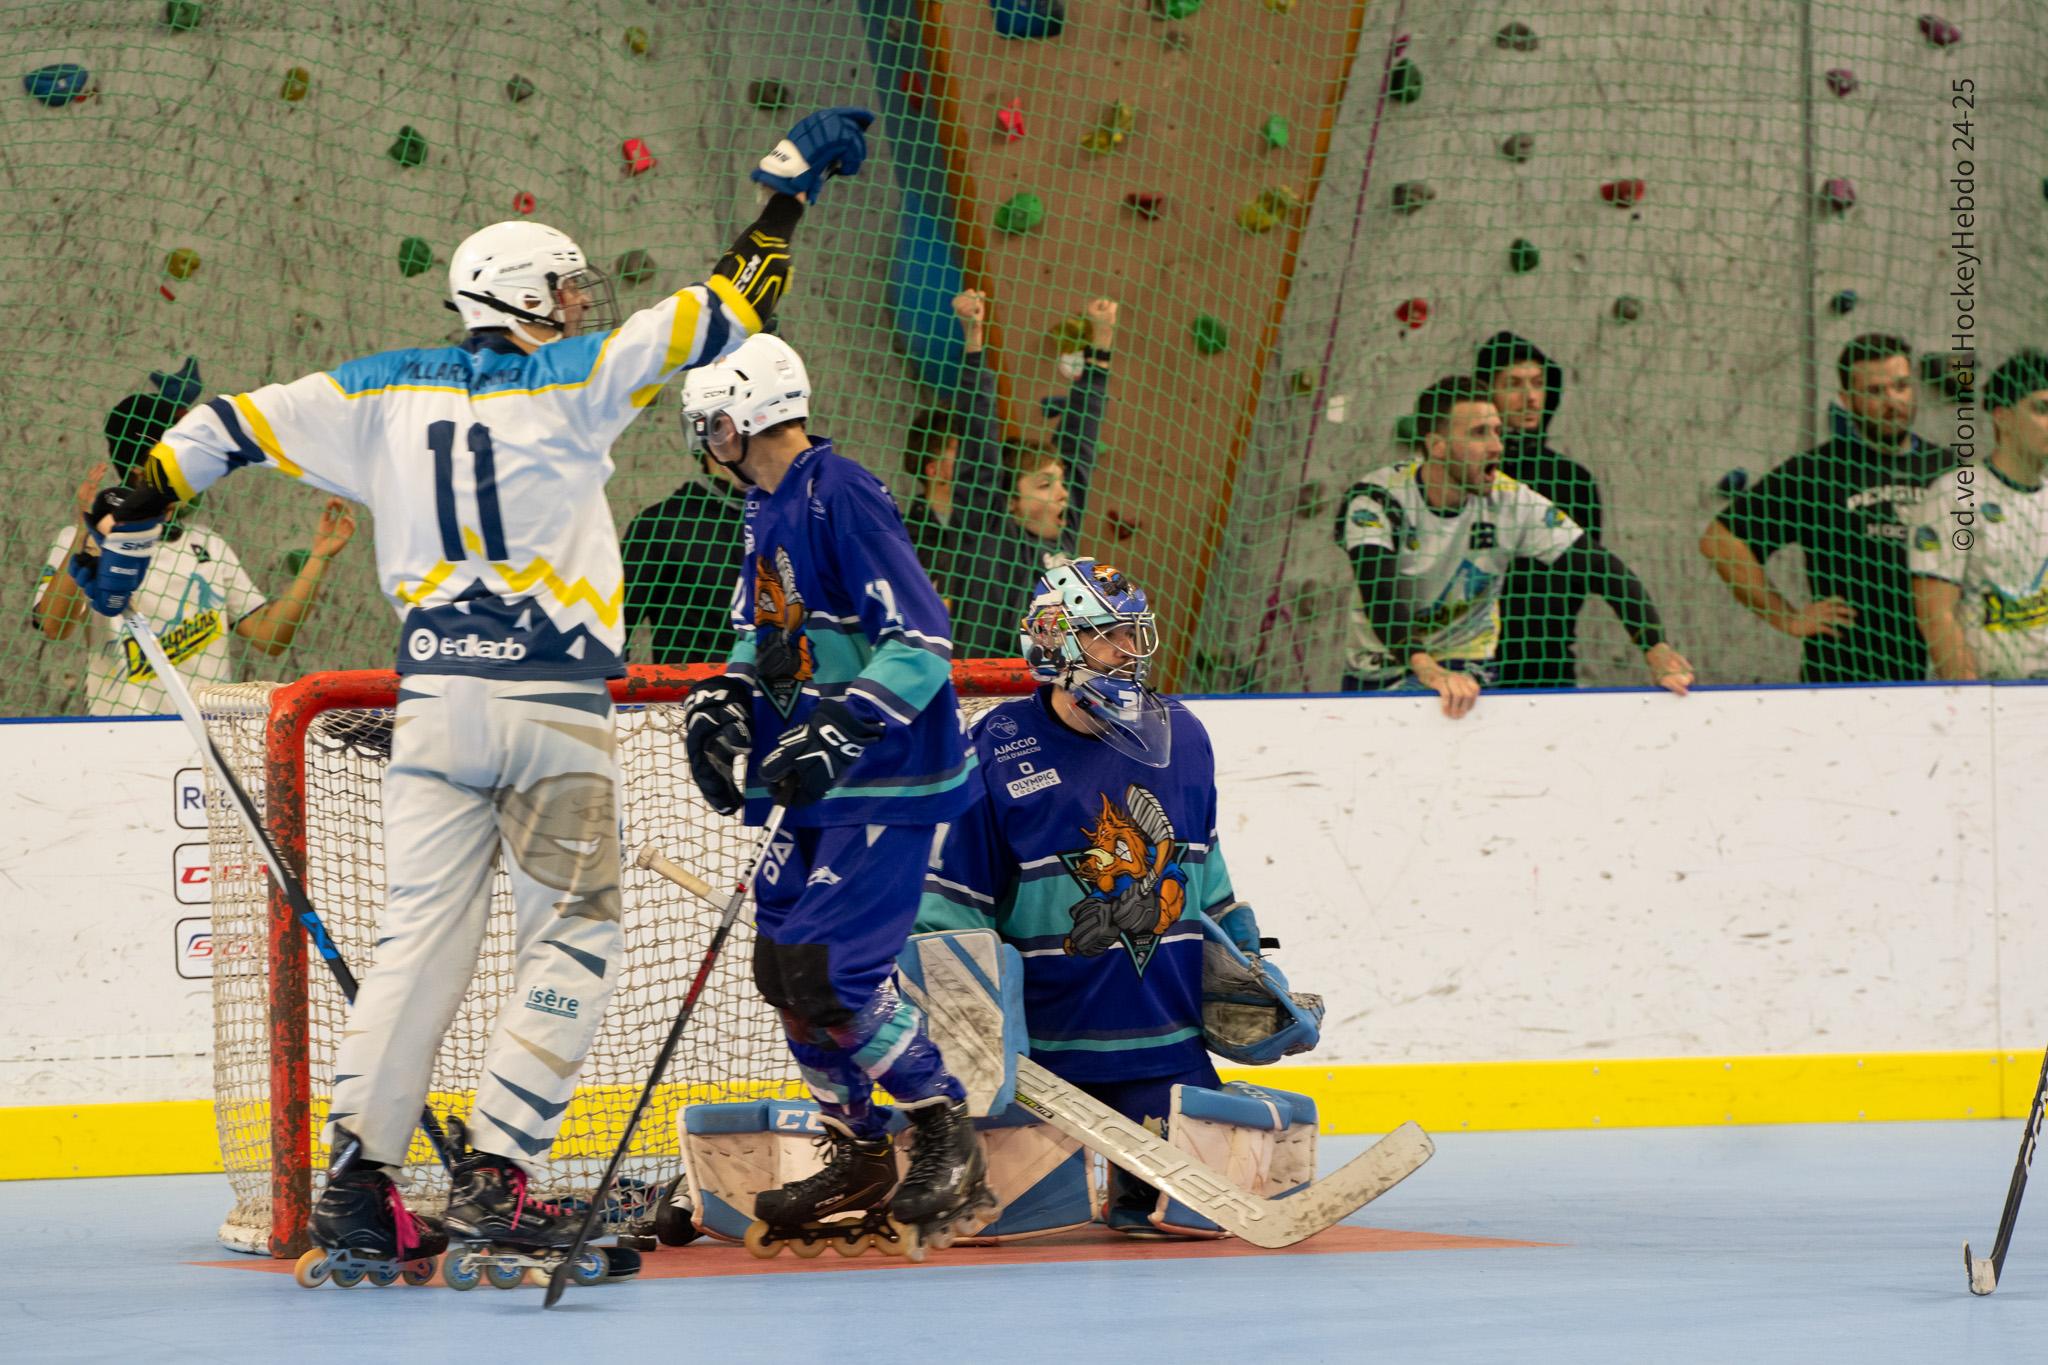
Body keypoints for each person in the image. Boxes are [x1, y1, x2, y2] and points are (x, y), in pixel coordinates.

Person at [65, 106, 874, 1278]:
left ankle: (358, 1188)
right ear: (533, 299)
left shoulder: (374, 394)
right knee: (575, 936)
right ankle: (497, 1175)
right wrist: (789, 185)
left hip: (434, 708)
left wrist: (123, 516)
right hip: (552, 717)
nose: (582, 305)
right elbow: (731, 300)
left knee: (415, 947)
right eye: (568, 289)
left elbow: (215, 430)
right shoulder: (578, 379)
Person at [677, 332, 992, 1256]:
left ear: (738, 419)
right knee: (783, 976)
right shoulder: (764, 506)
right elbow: (759, 629)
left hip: (886, 780)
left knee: (833, 976)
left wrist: (845, 723)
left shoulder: (839, 490)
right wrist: (726, 702)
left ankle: (944, 1129)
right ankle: (857, 1150)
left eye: (711, 425)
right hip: (813, 783)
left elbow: (923, 639)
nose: (707, 442)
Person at [916, 557, 1318, 1236]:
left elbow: (1205, 869)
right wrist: (978, 1047)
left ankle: (1151, 1160)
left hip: (1163, 1050)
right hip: (1042, 1061)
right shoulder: (995, 746)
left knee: (1196, 1214)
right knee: (1010, 1224)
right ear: (1053, 641)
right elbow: (950, 908)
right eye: (1107, 634)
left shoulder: (1184, 735)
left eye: (1134, 633)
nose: (1128, 652)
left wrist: (1244, 962)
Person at [1335, 376, 1693, 717]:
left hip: (1467, 656)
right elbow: (1379, 596)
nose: (1497, 446)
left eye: (1496, 431)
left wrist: (1655, 647)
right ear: (1437, 445)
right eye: (1479, 434)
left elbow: (1600, 568)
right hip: (1382, 661)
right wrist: (1427, 670)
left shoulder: (1511, 499)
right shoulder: (1377, 499)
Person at [34, 380, 355, 715]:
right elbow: (53, 627)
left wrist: (319, 558)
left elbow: (270, 637)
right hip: (122, 735)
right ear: (140, 468)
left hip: (210, 735)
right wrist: (86, 538)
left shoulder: (208, 545)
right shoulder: (83, 541)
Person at [1699, 333, 1948, 683]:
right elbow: (1721, 542)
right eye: (1875, 392)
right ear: (1847, 400)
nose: (1893, 401)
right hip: (1841, 679)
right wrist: (1787, 617)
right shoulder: (1817, 472)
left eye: (1901, 386)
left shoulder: (1949, 471)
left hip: (1939, 678)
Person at [935, 289, 1115, 658]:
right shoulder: (988, 527)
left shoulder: (1063, 541)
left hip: (1035, 688)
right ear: (1012, 502)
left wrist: (1102, 340)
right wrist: (974, 337)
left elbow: (1081, 440)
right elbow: (979, 430)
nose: (1063, 493)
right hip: (973, 683)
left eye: (1060, 483)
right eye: (1045, 484)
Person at [1474, 331, 1607, 689]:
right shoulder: (1464, 473)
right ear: (1487, 392)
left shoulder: (1572, 479)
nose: (1530, 398)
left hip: (1546, 658)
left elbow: (1582, 574)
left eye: (1537, 383)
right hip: (1466, 660)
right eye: (1514, 384)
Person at [1909, 349, 2048, 680]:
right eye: (2041, 409)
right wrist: (1974, 703)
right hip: (1985, 698)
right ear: (2003, 418)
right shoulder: (1956, 495)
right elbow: (1935, 613)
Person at [620, 438, 747, 665]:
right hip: (688, 692)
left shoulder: (782, 520)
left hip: (774, 690)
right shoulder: (662, 524)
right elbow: (616, 631)